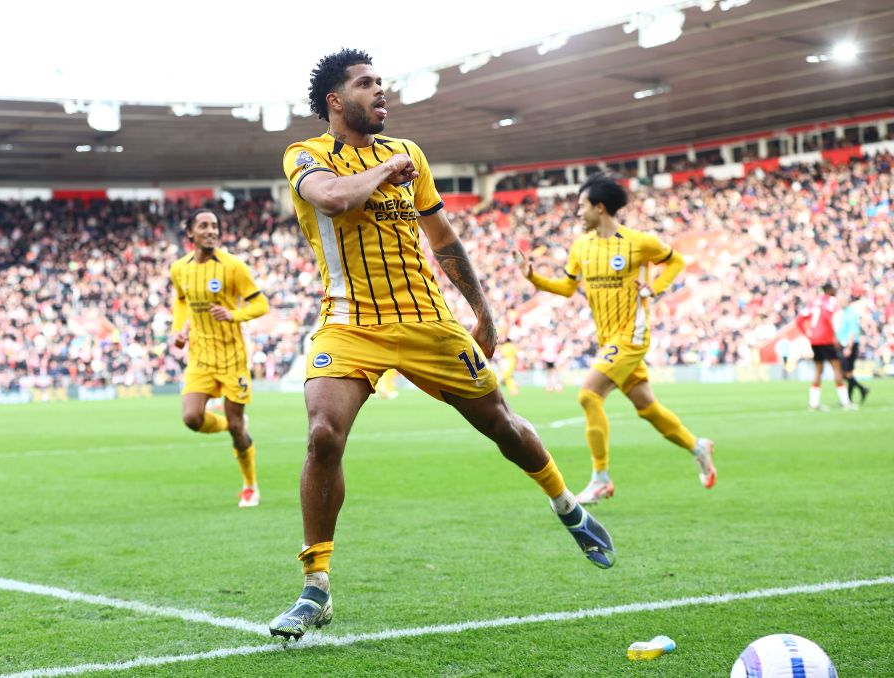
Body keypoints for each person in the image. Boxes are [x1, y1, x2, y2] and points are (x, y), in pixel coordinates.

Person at [268, 48, 615, 641]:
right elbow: (331, 198)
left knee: (502, 424)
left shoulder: (410, 155)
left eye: (381, 82)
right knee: (323, 434)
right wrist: (382, 174)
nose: (381, 91)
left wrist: (483, 313)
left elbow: (443, 237)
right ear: (335, 101)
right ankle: (315, 586)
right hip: (350, 320)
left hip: (428, 320)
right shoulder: (304, 155)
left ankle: (566, 505)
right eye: (366, 84)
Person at [515, 173, 716, 506]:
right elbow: (567, 288)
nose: (577, 213)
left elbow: (675, 261)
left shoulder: (639, 242)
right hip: (607, 339)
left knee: (589, 395)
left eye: (582, 206)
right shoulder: (582, 246)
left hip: (632, 337)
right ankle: (699, 447)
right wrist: (533, 277)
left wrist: (657, 287)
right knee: (647, 408)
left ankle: (601, 479)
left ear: (600, 207)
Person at [170, 208, 270, 507]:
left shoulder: (233, 267)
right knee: (191, 417)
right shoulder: (179, 269)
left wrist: (234, 314)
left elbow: (261, 304)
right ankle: (229, 424)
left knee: (238, 428)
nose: (211, 230)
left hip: (232, 357)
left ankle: (250, 485)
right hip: (199, 355)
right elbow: (181, 301)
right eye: (203, 226)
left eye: (214, 226)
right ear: (190, 233)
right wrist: (178, 331)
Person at [797, 281, 855, 411]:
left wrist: (807, 334)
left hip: (814, 340)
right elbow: (830, 318)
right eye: (833, 289)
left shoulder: (814, 303)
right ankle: (845, 402)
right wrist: (834, 336)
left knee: (818, 370)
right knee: (836, 368)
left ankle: (813, 403)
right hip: (826, 339)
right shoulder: (831, 302)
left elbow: (799, 319)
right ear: (829, 290)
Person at [836, 286, 869, 405]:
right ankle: (861, 390)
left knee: (847, 373)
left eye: (840, 300)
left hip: (850, 345)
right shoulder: (844, 312)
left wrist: (849, 347)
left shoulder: (851, 313)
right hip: (844, 345)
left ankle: (849, 398)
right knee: (845, 373)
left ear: (846, 301)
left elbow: (853, 331)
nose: (839, 303)